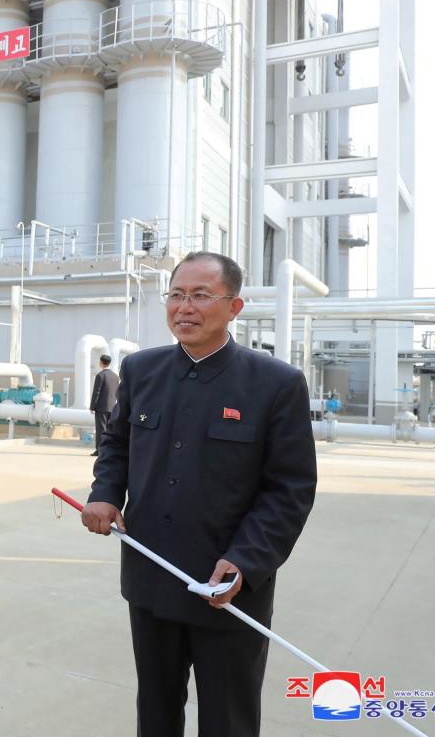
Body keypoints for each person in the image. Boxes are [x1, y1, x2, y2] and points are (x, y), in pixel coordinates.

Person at [81, 251, 317, 737]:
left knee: (228, 717)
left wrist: (247, 562)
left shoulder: (275, 383)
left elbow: (289, 488)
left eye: (201, 296)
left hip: (226, 590)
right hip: (151, 577)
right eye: (176, 295)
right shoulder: (142, 369)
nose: (184, 307)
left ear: (235, 307)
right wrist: (105, 493)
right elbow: (117, 445)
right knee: (157, 710)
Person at [89, 353, 118, 456]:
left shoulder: (100, 376)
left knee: (101, 430)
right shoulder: (115, 376)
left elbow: (96, 392)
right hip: (112, 407)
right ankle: (108, 450)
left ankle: (100, 450)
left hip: (101, 407)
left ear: (101, 363)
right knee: (110, 430)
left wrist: (92, 406)